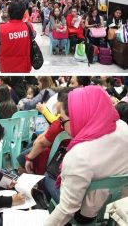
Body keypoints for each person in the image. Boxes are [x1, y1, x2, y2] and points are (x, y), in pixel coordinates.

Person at [44, 85, 128, 226]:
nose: (62, 126)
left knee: (47, 179)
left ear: (78, 117)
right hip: (118, 203)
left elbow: (67, 209)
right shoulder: (123, 127)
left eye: (62, 120)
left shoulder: (78, 155)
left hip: (87, 214)